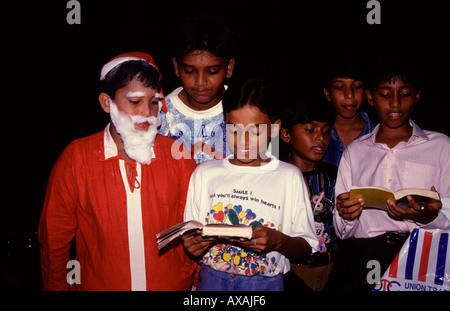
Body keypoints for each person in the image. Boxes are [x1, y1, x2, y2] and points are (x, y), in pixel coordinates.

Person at [39, 51, 197, 290]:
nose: (147, 112)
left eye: (154, 102)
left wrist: (195, 282)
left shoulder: (177, 155)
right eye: (135, 102)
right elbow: (55, 237)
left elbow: (194, 227)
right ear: (106, 103)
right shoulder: (77, 158)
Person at [181, 78, 319, 291]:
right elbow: (193, 238)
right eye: (234, 130)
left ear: (274, 129)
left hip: (265, 285)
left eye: (255, 131)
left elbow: (307, 247)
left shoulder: (288, 176)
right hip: (212, 281)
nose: (243, 141)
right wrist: (193, 245)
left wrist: (276, 242)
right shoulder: (205, 174)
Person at [331, 59, 450, 291]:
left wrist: (429, 217)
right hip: (367, 254)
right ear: (370, 97)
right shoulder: (355, 152)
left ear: (417, 96)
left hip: (424, 252)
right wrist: (346, 214)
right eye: (385, 94)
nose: (395, 103)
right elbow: (341, 231)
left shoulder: (441, 146)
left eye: (404, 94)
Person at [158, 14, 236, 164]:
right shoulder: (159, 114)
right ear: (176, 67)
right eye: (189, 71)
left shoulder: (248, 111)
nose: (200, 82)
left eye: (212, 72)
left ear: (229, 67)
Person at [280, 98, 337, 291]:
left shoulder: (334, 176)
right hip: (288, 272)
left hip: (329, 269)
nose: (320, 138)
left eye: (326, 131)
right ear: (286, 134)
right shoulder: (275, 177)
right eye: (310, 130)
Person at [321, 56, 375, 167]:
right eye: (340, 87)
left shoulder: (378, 135)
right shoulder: (314, 135)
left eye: (357, 86)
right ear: (327, 93)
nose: (349, 95)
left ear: (366, 92)